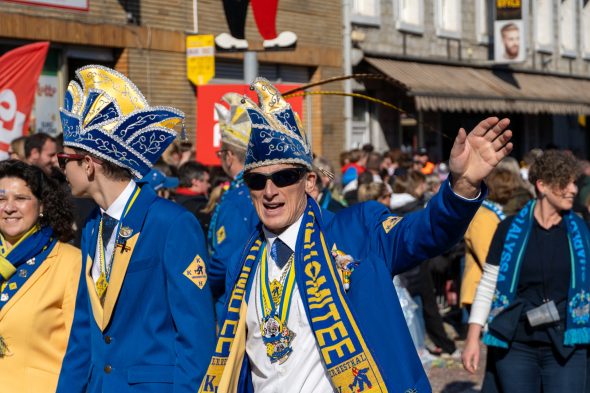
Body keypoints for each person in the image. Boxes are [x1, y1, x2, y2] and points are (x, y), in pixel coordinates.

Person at [197, 78, 513, 393]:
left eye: (284, 177)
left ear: (309, 182)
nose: (269, 191)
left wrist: (462, 188)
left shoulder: (357, 230)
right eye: (256, 180)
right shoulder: (243, 261)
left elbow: (423, 234)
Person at [55, 65, 215, 393]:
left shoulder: (172, 224)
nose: (61, 169)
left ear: (87, 164)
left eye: (64, 160)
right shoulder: (91, 226)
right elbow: (84, 330)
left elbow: (196, 336)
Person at [462, 150, 589, 393]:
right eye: (565, 183)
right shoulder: (509, 229)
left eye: (575, 182)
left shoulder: (582, 231)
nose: (573, 189)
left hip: (567, 342)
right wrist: (472, 338)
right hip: (516, 343)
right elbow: (489, 283)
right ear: (542, 185)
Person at [0, 160, 80, 392]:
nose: (9, 207)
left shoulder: (70, 262)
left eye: (21, 198)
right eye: (1, 199)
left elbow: (81, 349)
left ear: (42, 205)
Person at [209, 92, 259, 320]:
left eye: (221, 154)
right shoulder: (257, 189)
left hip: (235, 303)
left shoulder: (237, 199)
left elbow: (227, 258)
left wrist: (202, 288)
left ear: (229, 156)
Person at [460, 166, 528, 310]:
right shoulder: (483, 216)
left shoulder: (492, 213)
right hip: (480, 292)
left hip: (491, 289)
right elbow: (488, 257)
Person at [176, 161, 211, 232]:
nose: (209, 185)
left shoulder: (173, 199)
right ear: (195, 182)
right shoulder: (199, 206)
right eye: (206, 181)